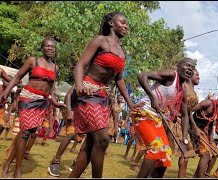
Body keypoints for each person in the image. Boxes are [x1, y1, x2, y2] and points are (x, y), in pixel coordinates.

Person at [69, 11, 143, 178]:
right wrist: (80, 86)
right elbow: (80, 65)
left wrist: (130, 103)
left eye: (126, 24)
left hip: (103, 97)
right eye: (122, 22)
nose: (126, 26)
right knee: (102, 139)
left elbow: (119, 79)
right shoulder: (100, 41)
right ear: (111, 23)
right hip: (87, 91)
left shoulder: (122, 52)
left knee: (91, 142)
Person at [1, 36, 65, 178]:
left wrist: (55, 102)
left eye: (52, 47)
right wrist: (6, 92)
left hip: (42, 103)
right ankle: (17, 170)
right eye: (47, 46)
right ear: (42, 48)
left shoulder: (55, 67)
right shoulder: (32, 61)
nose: (50, 49)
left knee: (26, 134)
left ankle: (7, 164)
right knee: (24, 133)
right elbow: (17, 77)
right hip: (28, 98)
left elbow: (51, 88)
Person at [130, 57, 196, 178]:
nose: (190, 69)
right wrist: (152, 97)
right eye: (188, 66)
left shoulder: (182, 90)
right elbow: (142, 76)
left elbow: (185, 115)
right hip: (143, 113)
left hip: (156, 119)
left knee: (166, 156)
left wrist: (184, 139)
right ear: (178, 66)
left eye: (193, 68)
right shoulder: (171, 75)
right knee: (156, 149)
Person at [164, 68, 200, 178]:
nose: (199, 77)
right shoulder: (182, 85)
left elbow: (188, 112)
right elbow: (169, 98)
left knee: (186, 152)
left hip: (183, 123)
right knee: (166, 152)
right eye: (197, 75)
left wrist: (194, 127)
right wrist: (172, 111)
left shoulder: (193, 91)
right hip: (173, 121)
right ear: (190, 76)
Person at [190, 92, 218, 178]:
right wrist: (195, 128)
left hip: (203, 131)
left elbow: (210, 125)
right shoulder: (208, 103)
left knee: (215, 153)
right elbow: (189, 111)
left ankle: (202, 175)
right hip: (193, 127)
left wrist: (210, 139)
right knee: (205, 155)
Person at [48, 86, 84, 177]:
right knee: (71, 133)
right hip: (70, 108)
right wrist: (68, 111)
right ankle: (55, 162)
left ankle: (76, 164)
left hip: (82, 112)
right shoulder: (82, 80)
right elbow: (68, 95)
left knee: (86, 137)